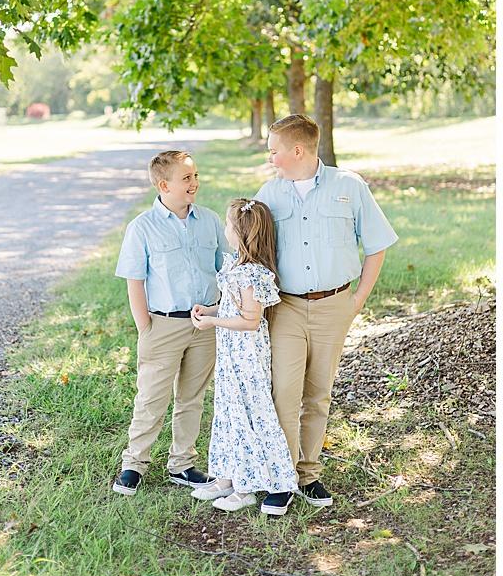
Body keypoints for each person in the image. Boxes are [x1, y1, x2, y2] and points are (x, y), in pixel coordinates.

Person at [255, 114, 398, 514]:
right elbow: (253, 250)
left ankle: (308, 474)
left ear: (296, 150)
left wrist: (357, 301)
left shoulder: (348, 186)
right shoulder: (269, 192)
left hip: (335, 304)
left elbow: (376, 244)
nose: (271, 158)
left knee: (317, 394)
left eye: (274, 151)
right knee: (284, 391)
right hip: (284, 307)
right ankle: (280, 479)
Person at [112, 150, 228, 496]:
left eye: (195, 176)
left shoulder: (209, 221)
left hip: (205, 323)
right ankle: (134, 463)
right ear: (164, 185)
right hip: (162, 324)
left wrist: (218, 311)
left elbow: (225, 268)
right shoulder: (142, 227)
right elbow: (134, 280)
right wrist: (144, 326)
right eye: (187, 178)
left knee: (192, 397)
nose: (195, 183)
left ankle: (182, 464)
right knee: (151, 398)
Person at [189, 198, 298, 514]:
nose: (225, 229)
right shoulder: (236, 264)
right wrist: (210, 310)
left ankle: (248, 486)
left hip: (246, 358)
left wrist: (212, 322)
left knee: (244, 414)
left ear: (241, 233)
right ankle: (226, 477)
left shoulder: (250, 274)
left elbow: (250, 320)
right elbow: (232, 307)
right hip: (230, 355)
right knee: (226, 411)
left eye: (228, 224)